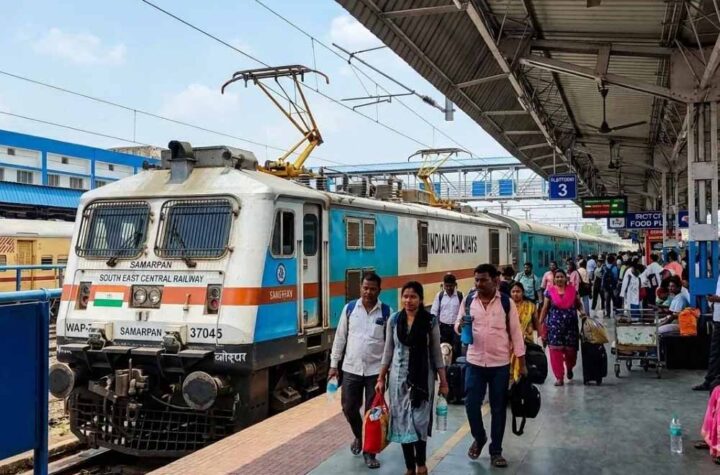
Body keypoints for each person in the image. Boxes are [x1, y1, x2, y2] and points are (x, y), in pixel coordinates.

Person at [455, 264, 525, 468]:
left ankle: (496, 452)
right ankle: (480, 436)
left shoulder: (506, 302)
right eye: (476, 280)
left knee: (498, 408)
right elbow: (457, 324)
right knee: (471, 404)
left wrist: (521, 363)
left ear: (495, 280)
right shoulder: (469, 300)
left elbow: (516, 333)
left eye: (483, 280)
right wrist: (460, 326)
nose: (479, 284)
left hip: (499, 364)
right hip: (474, 362)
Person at [375, 281, 447, 475]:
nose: (408, 300)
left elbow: (436, 354)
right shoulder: (394, 320)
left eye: (413, 297)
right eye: (405, 296)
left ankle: (421, 464)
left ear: (421, 299)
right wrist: (381, 378)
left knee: (419, 422)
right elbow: (388, 351)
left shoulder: (430, 321)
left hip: (423, 380)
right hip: (398, 380)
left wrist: (444, 382)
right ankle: (409, 467)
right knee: (401, 421)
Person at [329, 272, 390, 469]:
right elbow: (340, 338)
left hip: (375, 372)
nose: (368, 292)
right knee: (348, 408)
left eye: (372, 289)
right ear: (360, 288)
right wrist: (333, 365)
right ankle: (359, 436)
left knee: (373, 414)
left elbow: (390, 345)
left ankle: (370, 452)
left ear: (379, 291)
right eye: (365, 288)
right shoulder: (350, 309)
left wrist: (386, 373)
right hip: (351, 369)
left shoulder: (386, 313)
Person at [539, 269, 583, 386]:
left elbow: (579, 305)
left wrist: (583, 313)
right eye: (557, 277)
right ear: (554, 279)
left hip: (571, 327)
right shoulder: (549, 292)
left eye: (561, 276)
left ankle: (569, 367)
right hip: (554, 327)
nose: (559, 279)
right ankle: (559, 377)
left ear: (566, 278)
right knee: (555, 352)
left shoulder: (573, 291)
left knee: (571, 352)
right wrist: (540, 323)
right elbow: (545, 308)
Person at [695, 271, 720, 391]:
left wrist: (717, 299)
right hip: (718, 318)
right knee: (715, 352)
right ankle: (711, 380)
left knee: (715, 352)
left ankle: (710, 380)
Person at [430, 273, 463, 362]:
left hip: (456, 328)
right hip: (443, 328)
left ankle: (455, 367)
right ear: (444, 285)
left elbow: (463, 312)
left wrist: (460, 324)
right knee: (443, 350)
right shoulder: (439, 296)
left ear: (455, 285)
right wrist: (434, 326)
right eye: (446, 286)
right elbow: (434, 312)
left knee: (456, 349)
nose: (448, 288)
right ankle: (444, 368)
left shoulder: (460, 296)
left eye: (451, 286)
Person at [509, 282, 538, 382]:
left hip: (527, 341)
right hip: (510, 341)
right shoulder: (507, 306)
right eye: (513, 291)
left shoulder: (530, 306)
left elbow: (536, 323)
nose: (515, 294)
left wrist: (542, 337)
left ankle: (520, 380)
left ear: (523, 292)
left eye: (518, 291)